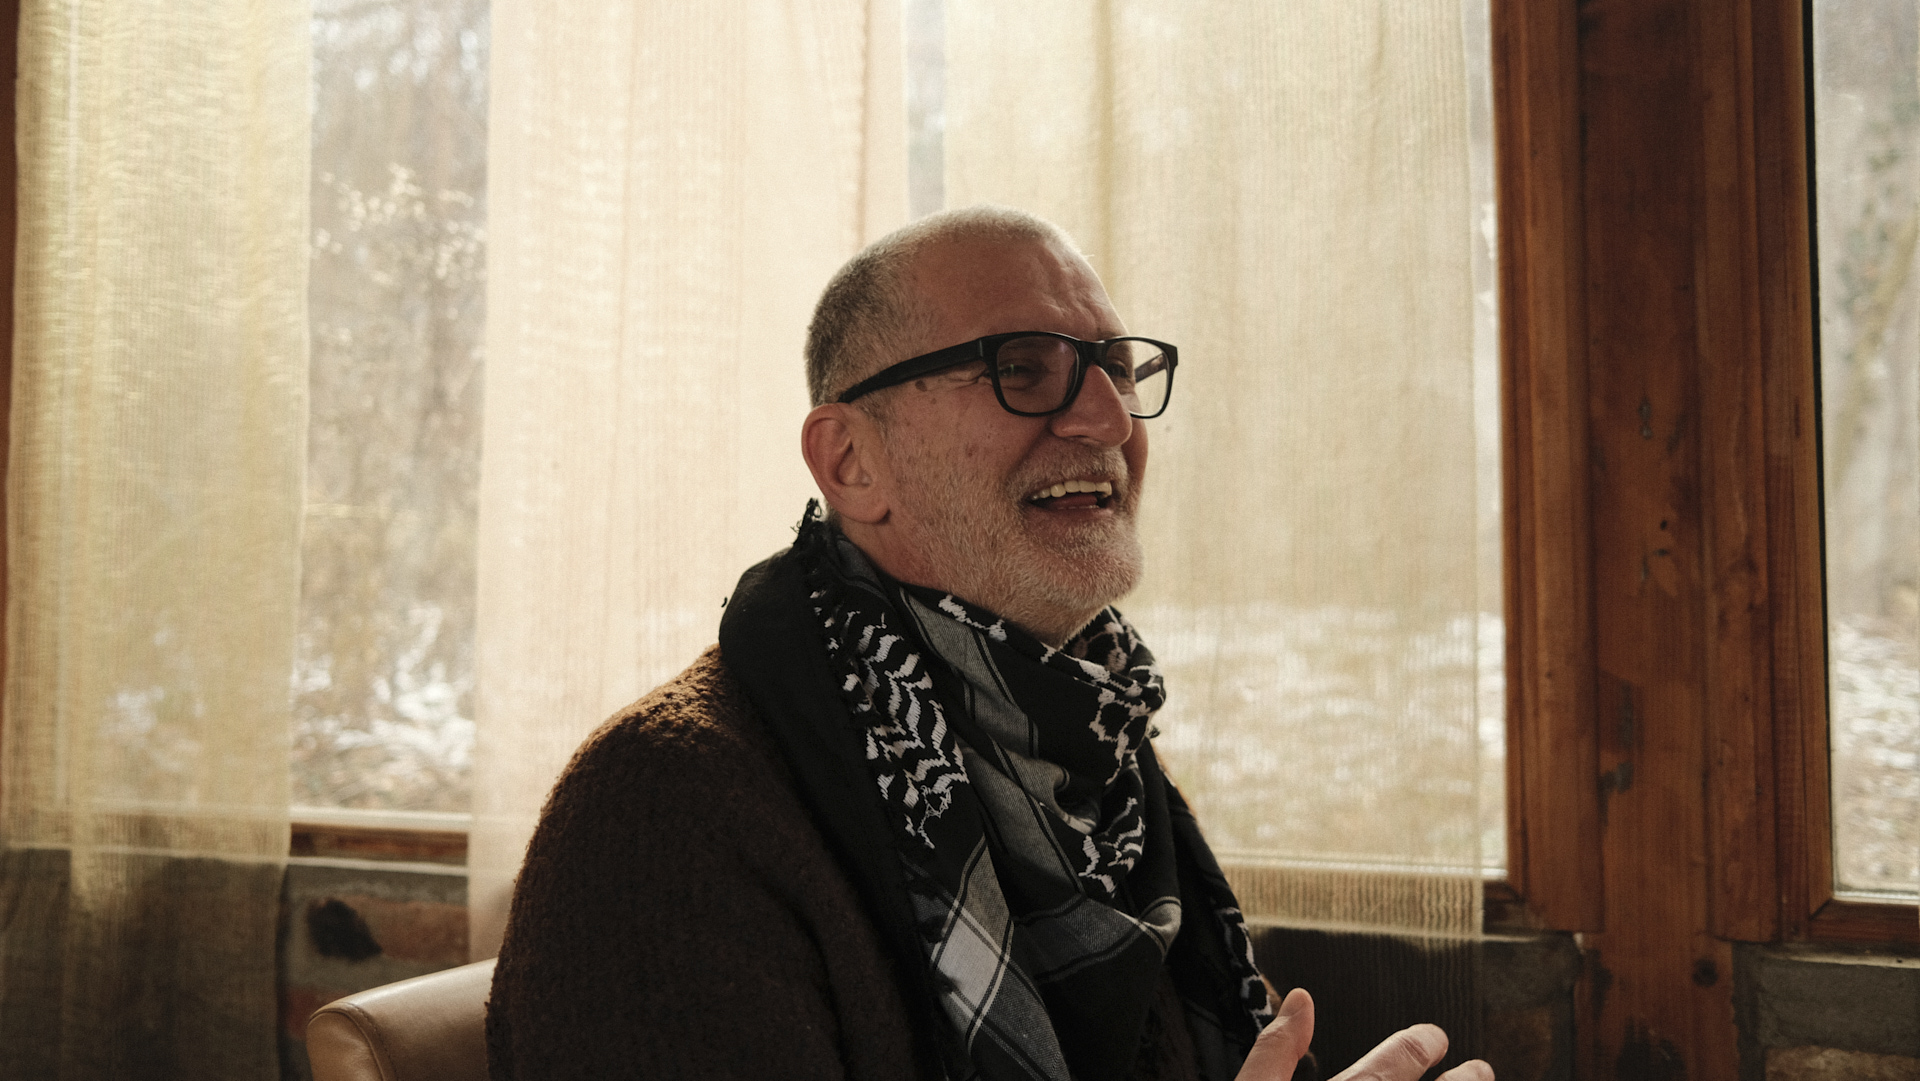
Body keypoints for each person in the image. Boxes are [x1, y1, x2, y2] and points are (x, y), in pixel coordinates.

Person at [484, 206, 1493, 1081]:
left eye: (1116, 367)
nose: (1108, 418)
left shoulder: (1098, 762)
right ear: (851, 461)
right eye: (1022, 369)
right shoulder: (665, 807)